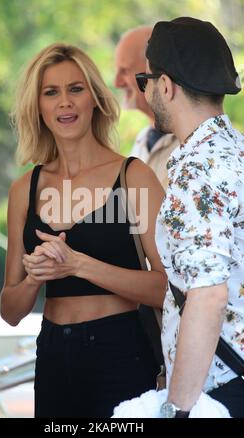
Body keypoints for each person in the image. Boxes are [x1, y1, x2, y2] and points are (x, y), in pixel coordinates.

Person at [0, 43, 167, 418]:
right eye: (51, 92)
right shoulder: (23, 189)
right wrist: (35, 279)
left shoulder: (134, 176)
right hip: (53, 352)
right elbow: (10, 310)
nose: (65, 103)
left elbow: (168, 288)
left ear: (95, 99)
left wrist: (78, 265)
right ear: (38, 107)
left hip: (121, 350)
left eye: (76, 89)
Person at [136, 17, 244, 417]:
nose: (146, 92)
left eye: (144, 80)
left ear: (165, 85)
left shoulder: (200, 170)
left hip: (220, 389)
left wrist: (177, 408)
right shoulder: (235, 150)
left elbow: (208, 295)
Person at [114, 26, 179, 188]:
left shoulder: (194, 146)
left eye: (125, 70)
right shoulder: (143, 139)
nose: (117, 82)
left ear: (153, 70)